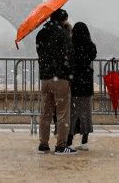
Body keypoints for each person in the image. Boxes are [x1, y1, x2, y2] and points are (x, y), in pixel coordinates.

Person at [36, 8, 77, 155]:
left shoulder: (41, 34)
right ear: (62, 19)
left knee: (45, 113)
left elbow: (40, 54)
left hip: (46, 78)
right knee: (62, 113)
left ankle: (43, 144)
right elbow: (69, 56)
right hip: (60, 78)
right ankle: (61, 145)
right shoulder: (63, 34)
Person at [67, 22, 97, 150]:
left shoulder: (71, 45)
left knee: (72, 113)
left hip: (74, 83)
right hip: (86, 83)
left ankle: (69, 140)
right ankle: (84, 140)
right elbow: (92, 56)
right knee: (86, 113)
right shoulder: (90, 46)